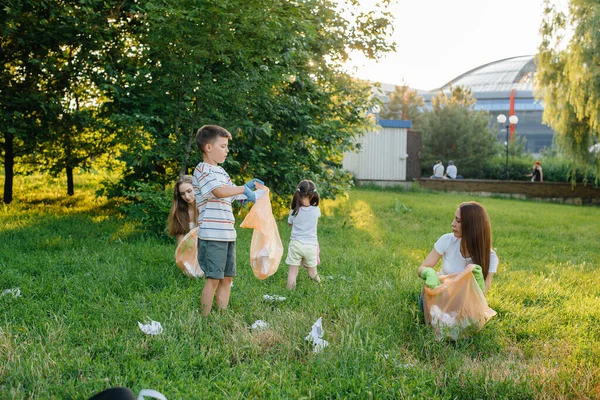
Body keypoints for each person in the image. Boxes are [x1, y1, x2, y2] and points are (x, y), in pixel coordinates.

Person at [192, 124, 263, 316]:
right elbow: (219, 191)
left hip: (227, 234)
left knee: (227, 278)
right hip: (212, 235)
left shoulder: (222, 172)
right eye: (223, 146)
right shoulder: (203, 170)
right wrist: (241, 188)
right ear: (208, 147)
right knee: (213, 278)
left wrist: (249, 193)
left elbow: (231, 196)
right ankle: (205, 318)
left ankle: (222, 315)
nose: (227, 150)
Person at [417, 201, 499, 297]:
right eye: (454, 219)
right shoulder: (447, 240)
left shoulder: (490, 257)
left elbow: (481, 296)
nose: (453, 224)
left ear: (472, 226)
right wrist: (429, 273)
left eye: (458, 221)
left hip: (465, 301)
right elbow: (422, 268)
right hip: (441, 295)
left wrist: (478, 281)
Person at [285, 179, 321, 290]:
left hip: (296, 245)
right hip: (311, 246)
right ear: (312, 195)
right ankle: (320, 288)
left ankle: (290, 292)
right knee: (312, 272)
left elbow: (290, 224)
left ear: (298, 193)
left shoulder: (294, 211)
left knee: (292, 272)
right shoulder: (316, 210)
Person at [167, 175, 198, 245]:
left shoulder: (207, 208)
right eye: (182, 194)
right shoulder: (180, 212)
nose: (187, 196)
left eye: (189, 191)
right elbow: (180, 243)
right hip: (191, 250)